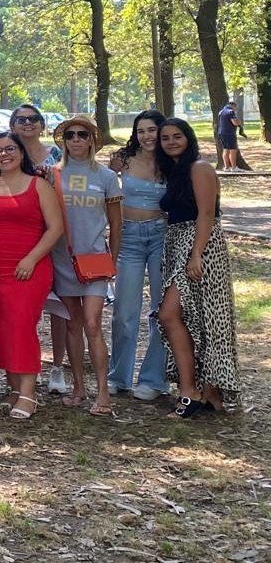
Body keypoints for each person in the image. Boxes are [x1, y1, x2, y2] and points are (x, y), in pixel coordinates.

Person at [0, 132, 63, 419]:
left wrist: (32, 259)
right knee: (0, 327)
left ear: (21, 153)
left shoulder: (38, 186)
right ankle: (13, 386)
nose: (4, 154)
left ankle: (29, 393)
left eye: (10, 149)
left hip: (29, 269)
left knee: (21, 325)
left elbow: (55, 228)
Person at [155, 118, 239, 418]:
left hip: (201, 245)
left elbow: (206, 213)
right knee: (195, 318)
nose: (171, 142)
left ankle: (191, 392)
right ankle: (206, 393)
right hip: (178, 242)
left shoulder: (199, 168)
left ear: (189, 138)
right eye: (165, 138)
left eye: (177, 136)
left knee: (172, 313)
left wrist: (197, 254)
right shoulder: (173, 172)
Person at [50, 116, 121, 417]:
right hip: (62, 259)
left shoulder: (106, 177)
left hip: (95, 261)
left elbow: (117, 225)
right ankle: (78, 386)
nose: (76, 140)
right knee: (72, 323)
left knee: (93, 323)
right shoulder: (51, 175)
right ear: (63, 141)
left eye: (82, 134)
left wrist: (112, 262)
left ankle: (103, 391)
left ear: (92, 139)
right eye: (70, 135)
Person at [107, 110, 170, 401]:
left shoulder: (172, 161)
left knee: (162, 311)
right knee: (124, 311)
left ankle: (154, 380)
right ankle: (118, 377)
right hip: (129, 236)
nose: (147, 136)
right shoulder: (123, 159)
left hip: (161, 236)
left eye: (152, 130)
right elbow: (106, 190)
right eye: (141, 130)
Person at [9, 103, 70, 395]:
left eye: (33, 119)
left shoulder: (58, 156)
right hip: (17, 238)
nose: (27, 123)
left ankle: (57, 367)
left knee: (57, 305)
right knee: (23, 308)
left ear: (42, 125)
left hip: (53, 235)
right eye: (21, 119)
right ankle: (25, 365)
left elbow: (69, 191)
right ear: (12, 125)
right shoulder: (8, 153)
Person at [217, 99, 242, 172]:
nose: (235, 109)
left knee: (225, 149)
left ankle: (226, 167)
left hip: (221, 133)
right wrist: (238, 122)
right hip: (229, 133)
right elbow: (235, 122)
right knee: (233, 150)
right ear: (233, 105)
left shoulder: (221, 112)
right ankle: (234, 167)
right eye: (235, 107)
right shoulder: (231, 111)